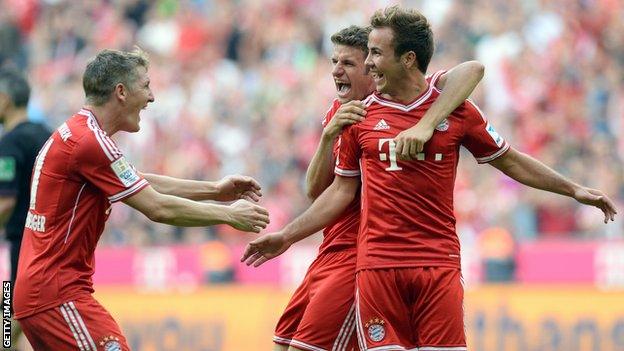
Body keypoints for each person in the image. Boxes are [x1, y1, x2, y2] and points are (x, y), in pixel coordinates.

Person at [243, 6, 617, 351]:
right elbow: (335, 190)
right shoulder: (358, 117)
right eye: (364, 55)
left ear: (407, 59)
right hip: (377, 267)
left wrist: (574, 189)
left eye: (374, 53)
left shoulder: (453, 107)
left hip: (438, 263)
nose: (369, 64)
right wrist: (288, 236)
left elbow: (510, 159)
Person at [13, 47, 270, 351]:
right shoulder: (89, 142)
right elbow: (156, 207)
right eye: (146, 86)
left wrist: (216, 190)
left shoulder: (83, 134)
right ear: (121, 92)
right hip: (57, 292)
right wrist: (228, 214)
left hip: (41, 287)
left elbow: (140, 181)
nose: (152, 97)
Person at [260, 25, 485, 351]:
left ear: (373, 67)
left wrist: (426, 124)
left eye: (349, 64)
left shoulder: (412, 102)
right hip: (329, 251)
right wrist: (327, 137)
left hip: (363, 256)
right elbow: (316, 189)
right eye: (334, 62)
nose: (336, 71)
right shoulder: (342, 112)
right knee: (283, 345)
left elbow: (471, 71)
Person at [0, 67, 51, 350]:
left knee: (9, 317)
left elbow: (5, 201)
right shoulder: (47, 134)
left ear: (5, 99)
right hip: (50, 240)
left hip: (23, 241)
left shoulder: (9, 143)